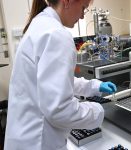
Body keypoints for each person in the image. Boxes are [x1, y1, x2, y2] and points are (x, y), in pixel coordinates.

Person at [4, 0, 117, 150]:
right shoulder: (56, 35)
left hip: (23, 137)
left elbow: (53, 82)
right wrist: (98, 112)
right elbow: (60, 109)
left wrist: (95, 86)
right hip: (39, 141)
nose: (83, 16)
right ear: (67, 1)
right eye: (83, 8)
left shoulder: (40, 23)